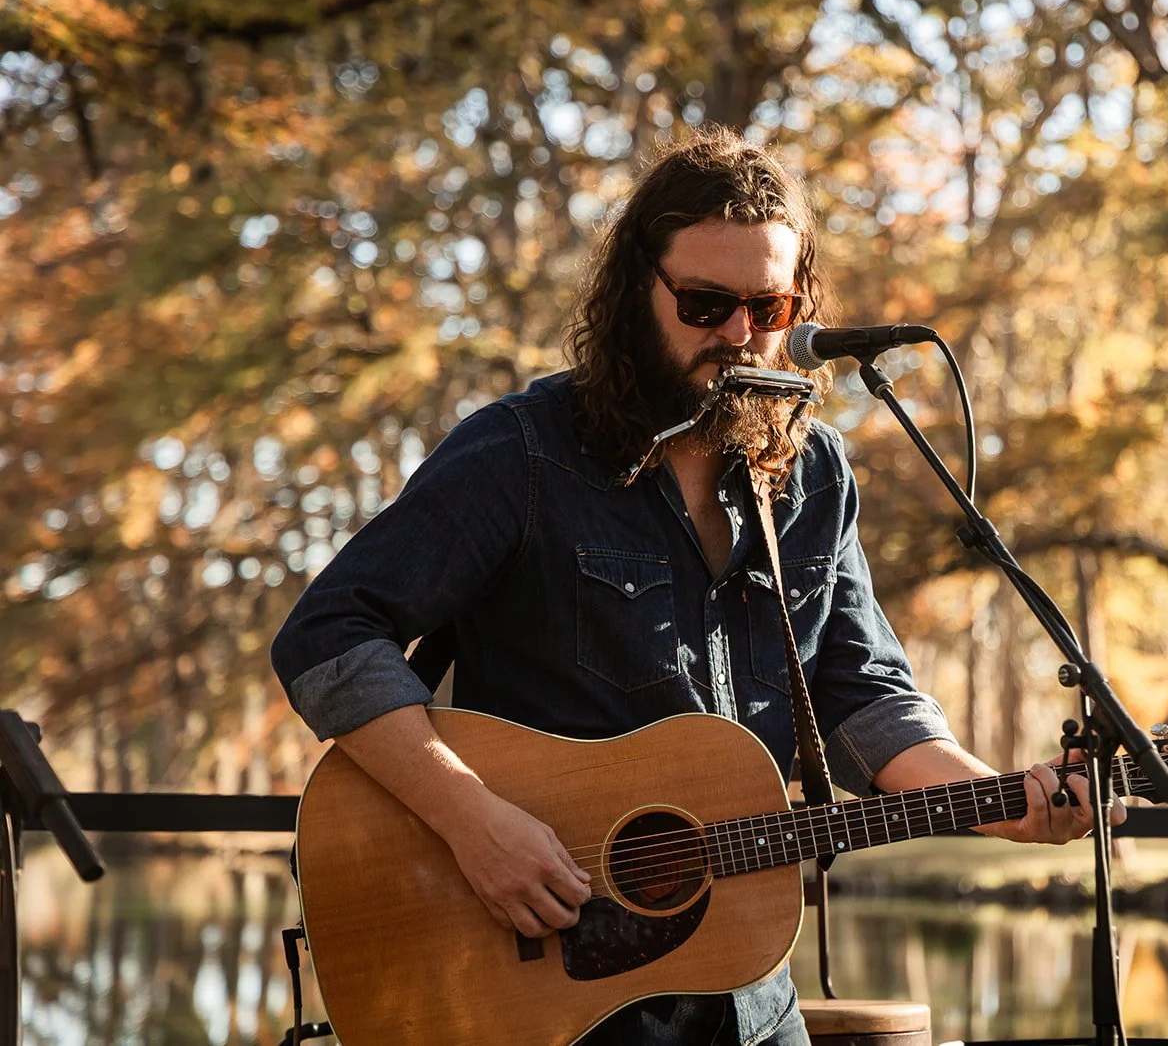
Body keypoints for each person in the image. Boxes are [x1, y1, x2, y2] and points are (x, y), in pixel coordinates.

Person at [271, 125, 1125, 1046]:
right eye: (706, 303)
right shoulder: (522, 453)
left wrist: (1005, 805)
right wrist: (473, 820)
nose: (740, 335)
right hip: (549, 996)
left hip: (746, 991)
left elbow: (865, 699)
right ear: (635, 291)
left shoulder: (812, 477)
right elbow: (327, 635)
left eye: (770, 305)